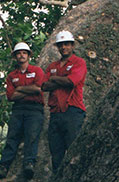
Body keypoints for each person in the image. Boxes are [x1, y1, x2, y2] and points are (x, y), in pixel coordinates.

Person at [0, 42, 44, 180]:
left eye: (24, 53)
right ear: (15, 57)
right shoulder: (12, 76)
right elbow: (11, 96)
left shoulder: (37, 71)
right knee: (12, 137)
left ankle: (29, 163)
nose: (21, 55)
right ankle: (4, 166)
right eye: (18, 53)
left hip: (35, 109)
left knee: (32, 136)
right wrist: (30, 89)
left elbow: (39, 88)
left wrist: (19, 89)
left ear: (28, 55)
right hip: (18, 109)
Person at [42, 30, 87, 172]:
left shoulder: (79, 62)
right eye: (61, 45)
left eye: (66, 44)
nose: (63, 48)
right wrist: (62, 80)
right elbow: (44, 85)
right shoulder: (53, 66)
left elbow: (71, 81)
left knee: (73, 150)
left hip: (73, 110)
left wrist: (54, 79)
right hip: (56, 112)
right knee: (56, 153)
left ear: (72, 45)